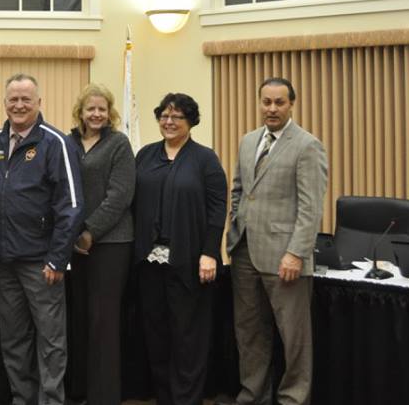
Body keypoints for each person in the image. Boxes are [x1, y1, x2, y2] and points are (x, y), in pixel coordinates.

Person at [227, 78, 327, 405]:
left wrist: (296, 253)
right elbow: (240, 191)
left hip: (285, 257)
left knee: (294, 338)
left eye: (279, 102)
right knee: (250, 334)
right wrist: (233, 231)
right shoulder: (248, 141)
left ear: (291, 104)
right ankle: (252, 396)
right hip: (244, 254)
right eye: (266, 102)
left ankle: (293, 399)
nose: (271, 108)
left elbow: (311, 206)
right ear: (259, 103)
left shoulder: (307, 145)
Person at [0, 73, 83, 405]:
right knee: (13, 340)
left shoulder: (55, 142)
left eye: (26, 99)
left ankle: (51, 400)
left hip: (42, 263)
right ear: (4, 103)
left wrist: (57, 258)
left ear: (39, 103)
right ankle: (22, 398)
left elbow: (71, 206)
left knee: (51, 340)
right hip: (4, 261)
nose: (19, 105)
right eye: (13, 99)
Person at [133, 93, 227, 405]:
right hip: (149, 262)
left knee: (188, 338)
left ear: (190, 122)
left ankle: (187, 399)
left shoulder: (205, 159)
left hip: (189, 262)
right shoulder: (145, 155)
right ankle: (164, 397)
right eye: (164, 116)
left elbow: (217, 209)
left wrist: (210, 251)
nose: (169, 122)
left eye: (177, 117)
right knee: (156, 335)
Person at [66, 83, 135, 405]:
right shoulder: (67, 143)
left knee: (102, 321)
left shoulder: (119, 144)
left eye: (102, 109)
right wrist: (71, 235)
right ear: (80, 111)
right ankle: (78, 389)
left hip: (110, 244)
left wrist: (90, 231)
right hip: (72, 245)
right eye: (90, 109)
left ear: (110, 114)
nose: (96, 114)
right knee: (77, 317)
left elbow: (120, 195)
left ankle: (104, 396)